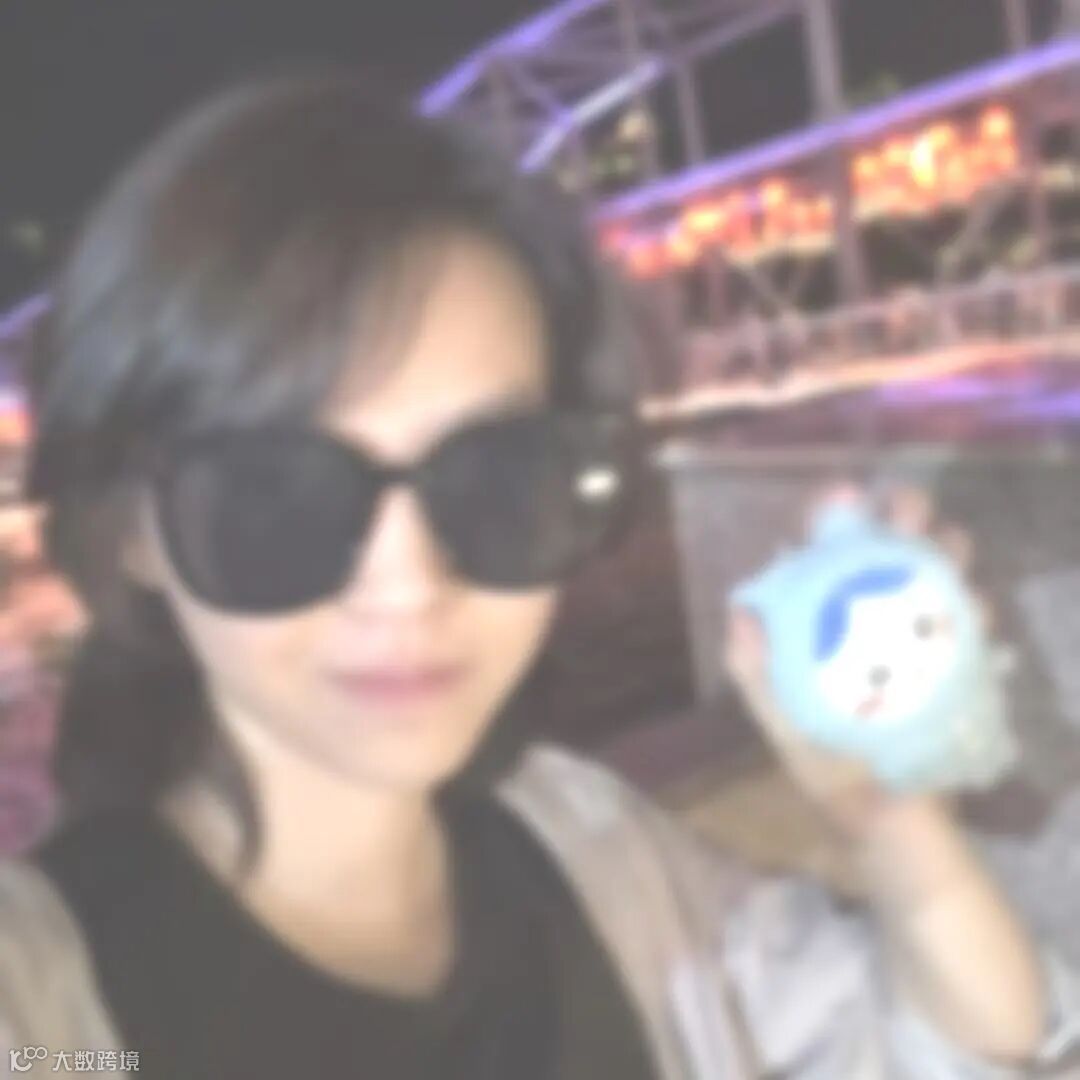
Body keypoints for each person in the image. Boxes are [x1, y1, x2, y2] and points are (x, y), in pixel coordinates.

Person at [0, 74, 1076, 1080]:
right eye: (275, 497)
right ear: (130, 531)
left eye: (497, 478)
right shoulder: (47, 1012)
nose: (410, 582)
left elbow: (958, 1049)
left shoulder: (595, 852)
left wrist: (895, 827)